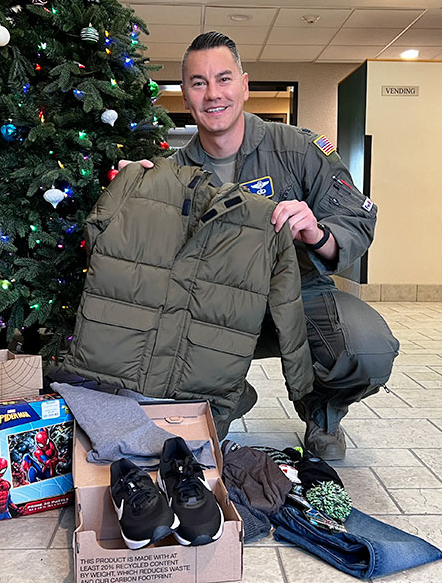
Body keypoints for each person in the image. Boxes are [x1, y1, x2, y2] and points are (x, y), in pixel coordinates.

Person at [120, 32, 399, 460]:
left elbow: (359, 216)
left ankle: (322, 411)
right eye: (198, 82)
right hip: (216, 309)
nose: (213, 93)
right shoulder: (171, 173)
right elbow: (152, 264)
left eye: (224, 78)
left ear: (245, 86)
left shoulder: (298, 148)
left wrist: (317, 234)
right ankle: (224, 399)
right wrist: (136, 201)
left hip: (300, 293)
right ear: (186, 95)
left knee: (368, 348)